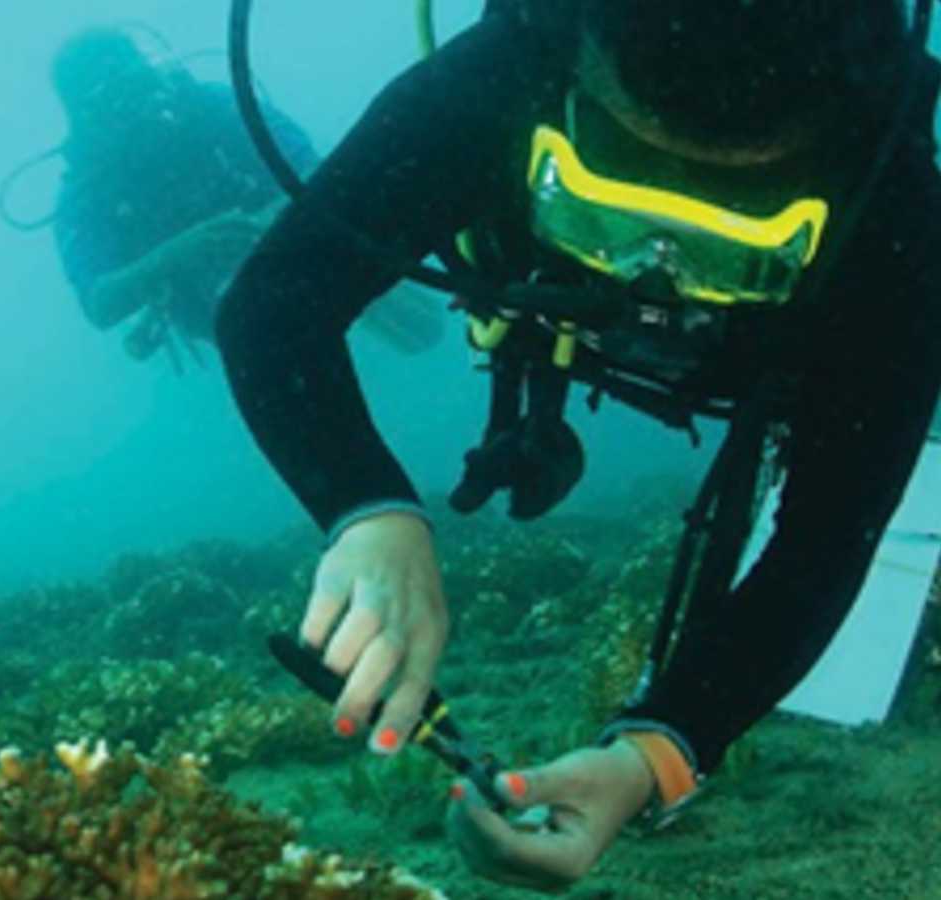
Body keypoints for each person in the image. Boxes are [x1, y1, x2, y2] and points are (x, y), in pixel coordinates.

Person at [216, 0, 941, 890]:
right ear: (567, 69)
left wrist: (654, 755)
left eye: (740, 236)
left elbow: (826, 537)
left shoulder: (894, 207)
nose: (656, 271)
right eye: (612, 197)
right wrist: (370, 513)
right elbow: (276, 302)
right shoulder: (504, 75)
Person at [44, 26, 444, 373]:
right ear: (86, 115)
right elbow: (99, 304)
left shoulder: (211, 107)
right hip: (219, 304)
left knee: (424, 331)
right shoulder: (86, 189)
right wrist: (179, 253)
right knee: (281, 360)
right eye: (118, 97)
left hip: (301, 245)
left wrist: (269, 226)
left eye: (138, 80)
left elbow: (316, 170)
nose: (142, 105)